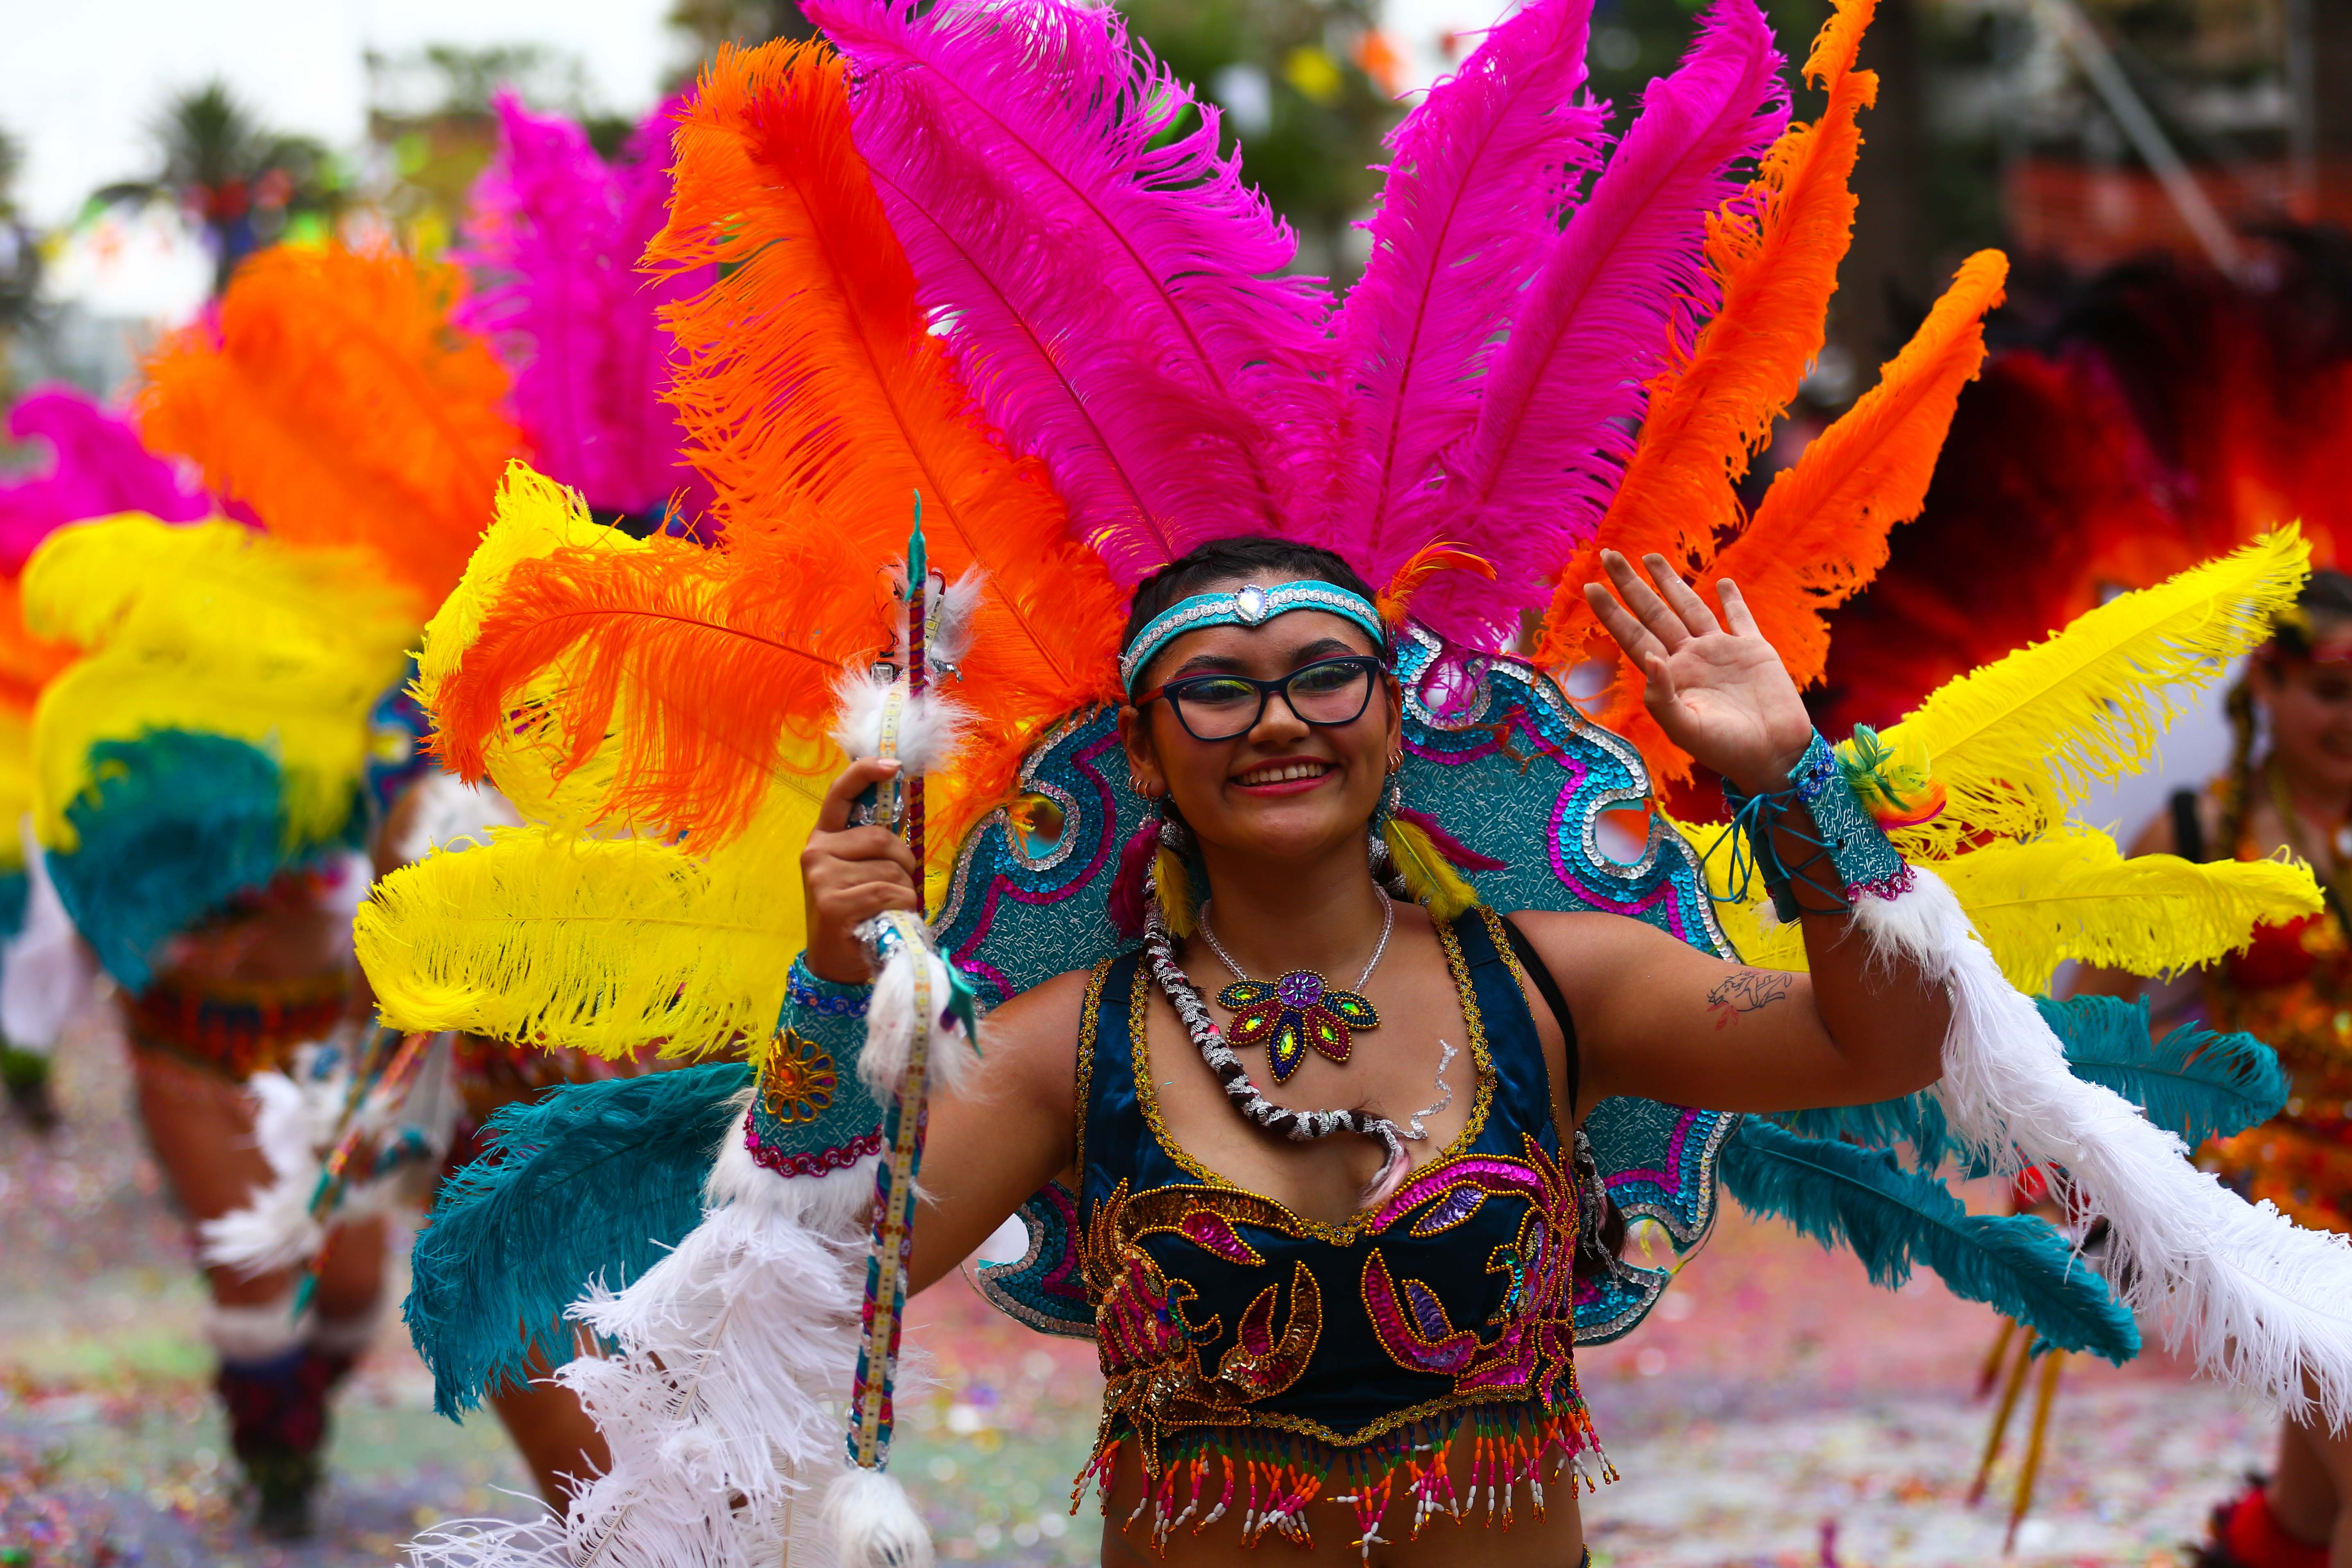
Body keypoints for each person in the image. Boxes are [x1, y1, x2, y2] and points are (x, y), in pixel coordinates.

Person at [785, 536, 1948, 1560]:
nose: (1279, 720)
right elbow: (814, 1286)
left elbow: (1883, 1040)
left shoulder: (1559, 983)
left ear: (1391, 721)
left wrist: (1792, 778)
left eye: (1326, 678)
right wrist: (835, 988)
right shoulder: (1061, 1046)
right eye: (1216, 692)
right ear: (1142, 753)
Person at [2081, 570, 2352, 1568]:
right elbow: (2083, 1018)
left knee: (2318, 1496)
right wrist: (2084, 1164)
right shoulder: (2198, 837)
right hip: (2264, 1200)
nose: (2350, 720)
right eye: (2331, 690)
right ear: (2266, 688)